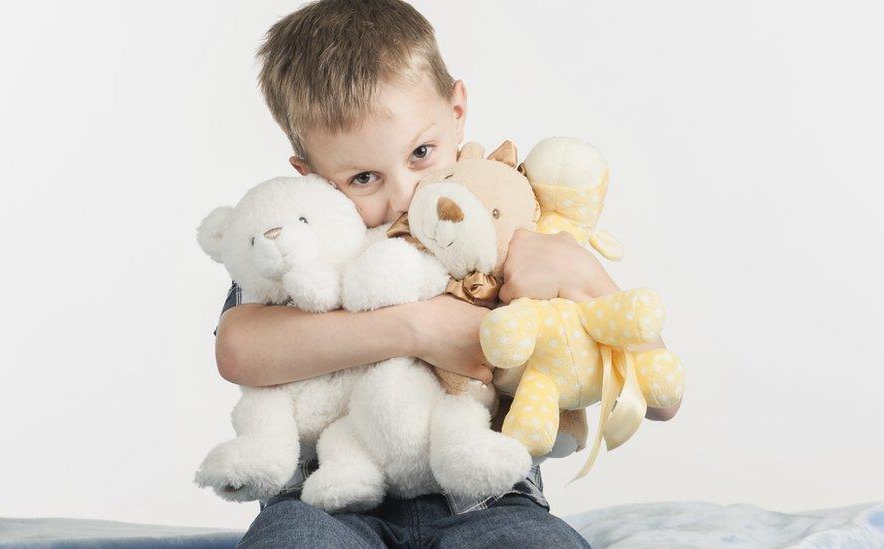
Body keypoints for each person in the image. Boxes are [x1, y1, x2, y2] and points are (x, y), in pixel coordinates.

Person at [214, 1, 679, 546]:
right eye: (363, 177)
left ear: (457, 110)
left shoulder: (504, 220)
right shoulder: (307, 238)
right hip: (325, 499)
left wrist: (588, 277)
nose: (403, 197)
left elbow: (663, 401)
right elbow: (238, 348)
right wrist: (419, 328)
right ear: (311, 174)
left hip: (488, 499)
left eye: (421, 153)